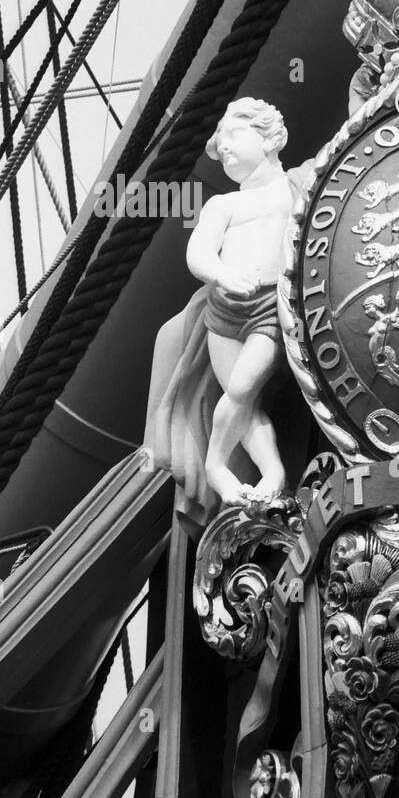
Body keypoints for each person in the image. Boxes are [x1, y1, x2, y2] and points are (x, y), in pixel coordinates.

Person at [145, 98, 313, 527]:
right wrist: (221, 274)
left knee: (240, 389)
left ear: (272, 137)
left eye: (235, 134)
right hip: (223, 311)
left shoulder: (295, 187)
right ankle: (272, 471)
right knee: (246, 404)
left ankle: (218, 465)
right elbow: (198, 251)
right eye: (220, 145)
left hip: (268, 309)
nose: (224, 147)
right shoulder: (224, 205)